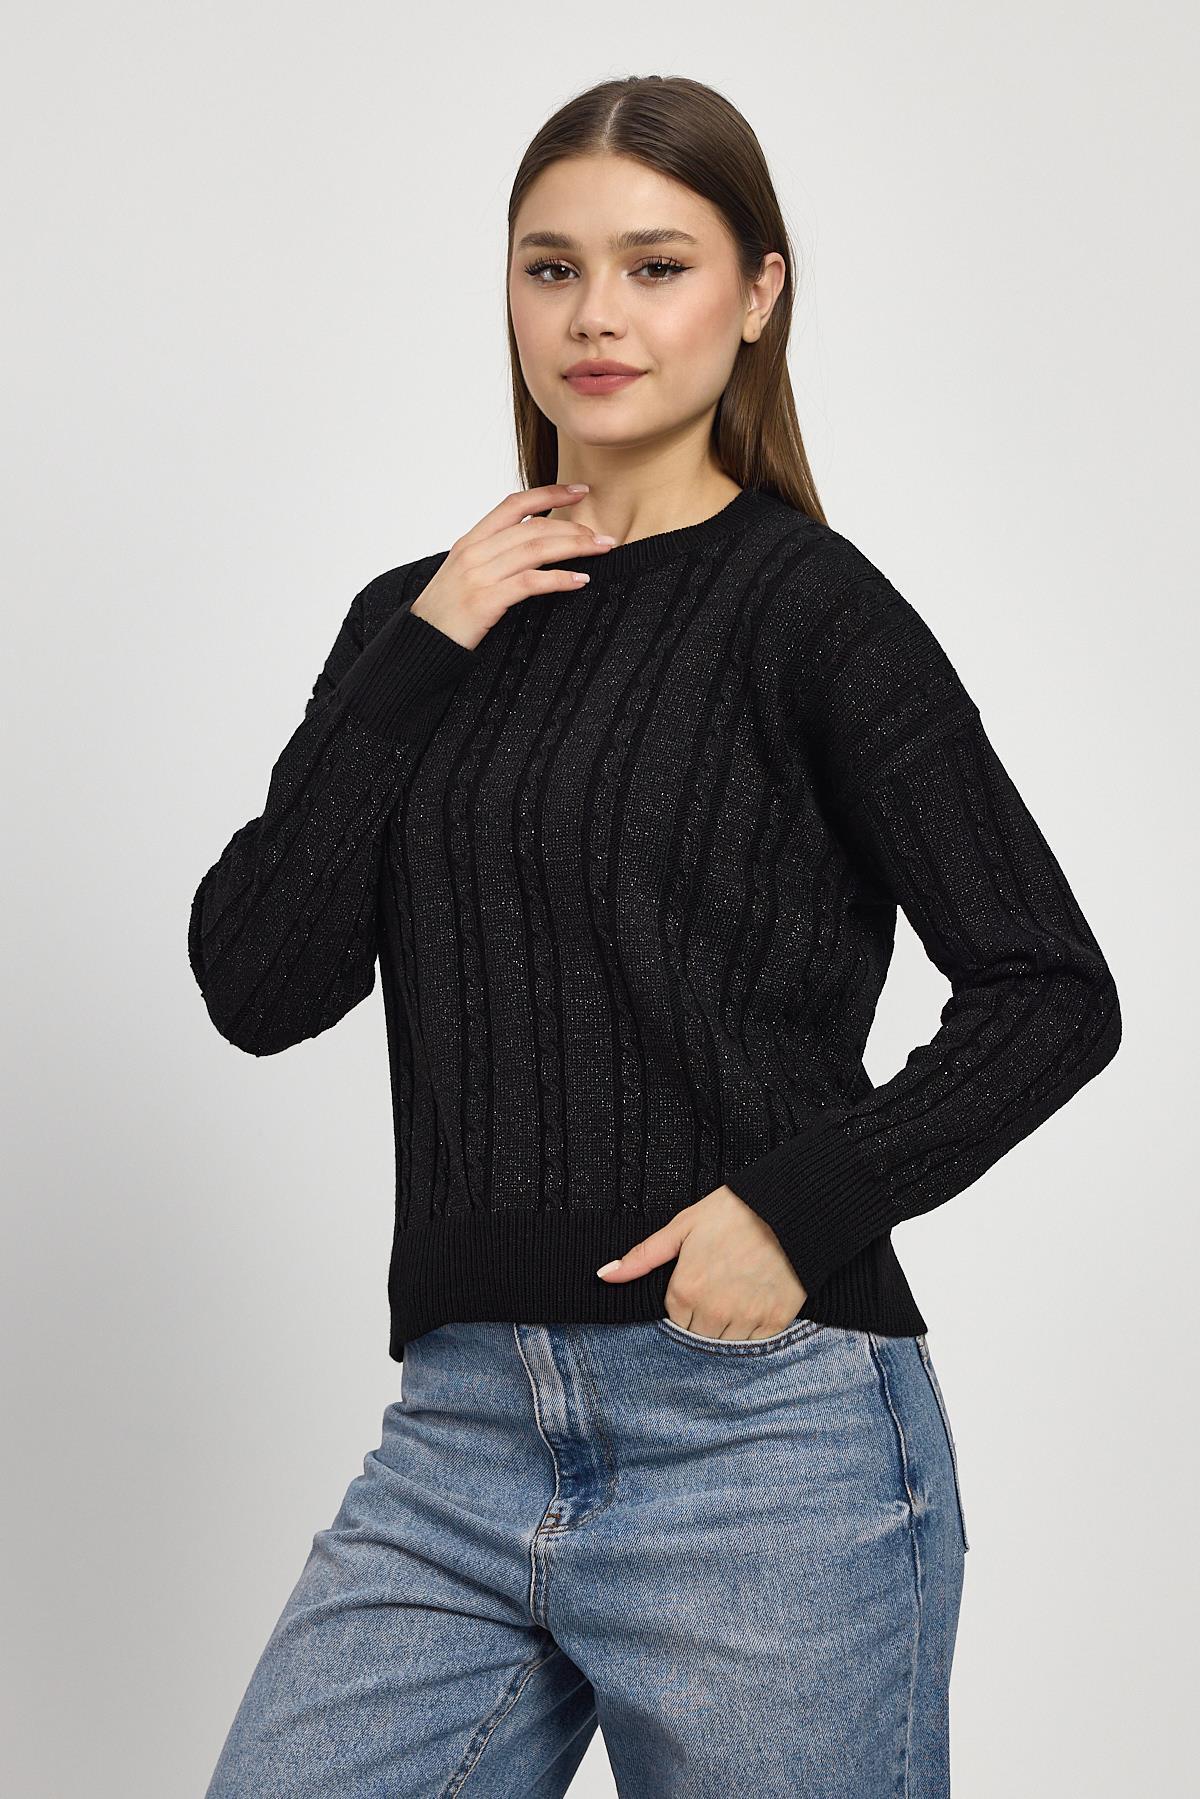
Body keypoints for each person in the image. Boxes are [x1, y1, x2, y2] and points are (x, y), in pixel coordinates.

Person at [190, 74, 1121, 1799]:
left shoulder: (812, 613)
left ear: (759, 295)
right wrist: (423, 651)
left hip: (762, 1442)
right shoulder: (413, 622)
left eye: (656, 265)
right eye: (552, 268)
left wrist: (799, 1206)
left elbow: (1052, 990)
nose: (596, 316)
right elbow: (259, 980)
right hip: (459, 1440)